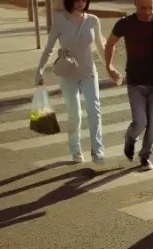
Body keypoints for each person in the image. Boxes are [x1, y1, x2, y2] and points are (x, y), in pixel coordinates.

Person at [35, 0, 118, 164]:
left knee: (94, 110)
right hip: (68, 75)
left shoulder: (93, 20)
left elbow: (100, 48)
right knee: (75, 114)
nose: (80, 2)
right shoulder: (60, 20)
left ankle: (97, 150)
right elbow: (49, 48)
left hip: (88, 72)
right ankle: (75, 149)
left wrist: (110, 68)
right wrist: (39, 70)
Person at [104, 0, 153, 171]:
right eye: (143, 8)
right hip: (135, 82)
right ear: (135, 4)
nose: (148, 12)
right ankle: (130, 137)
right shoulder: (125, 24)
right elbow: (110, 43)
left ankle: (145, 156)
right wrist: (109, 66)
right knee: (140, 122)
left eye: (151, 8)